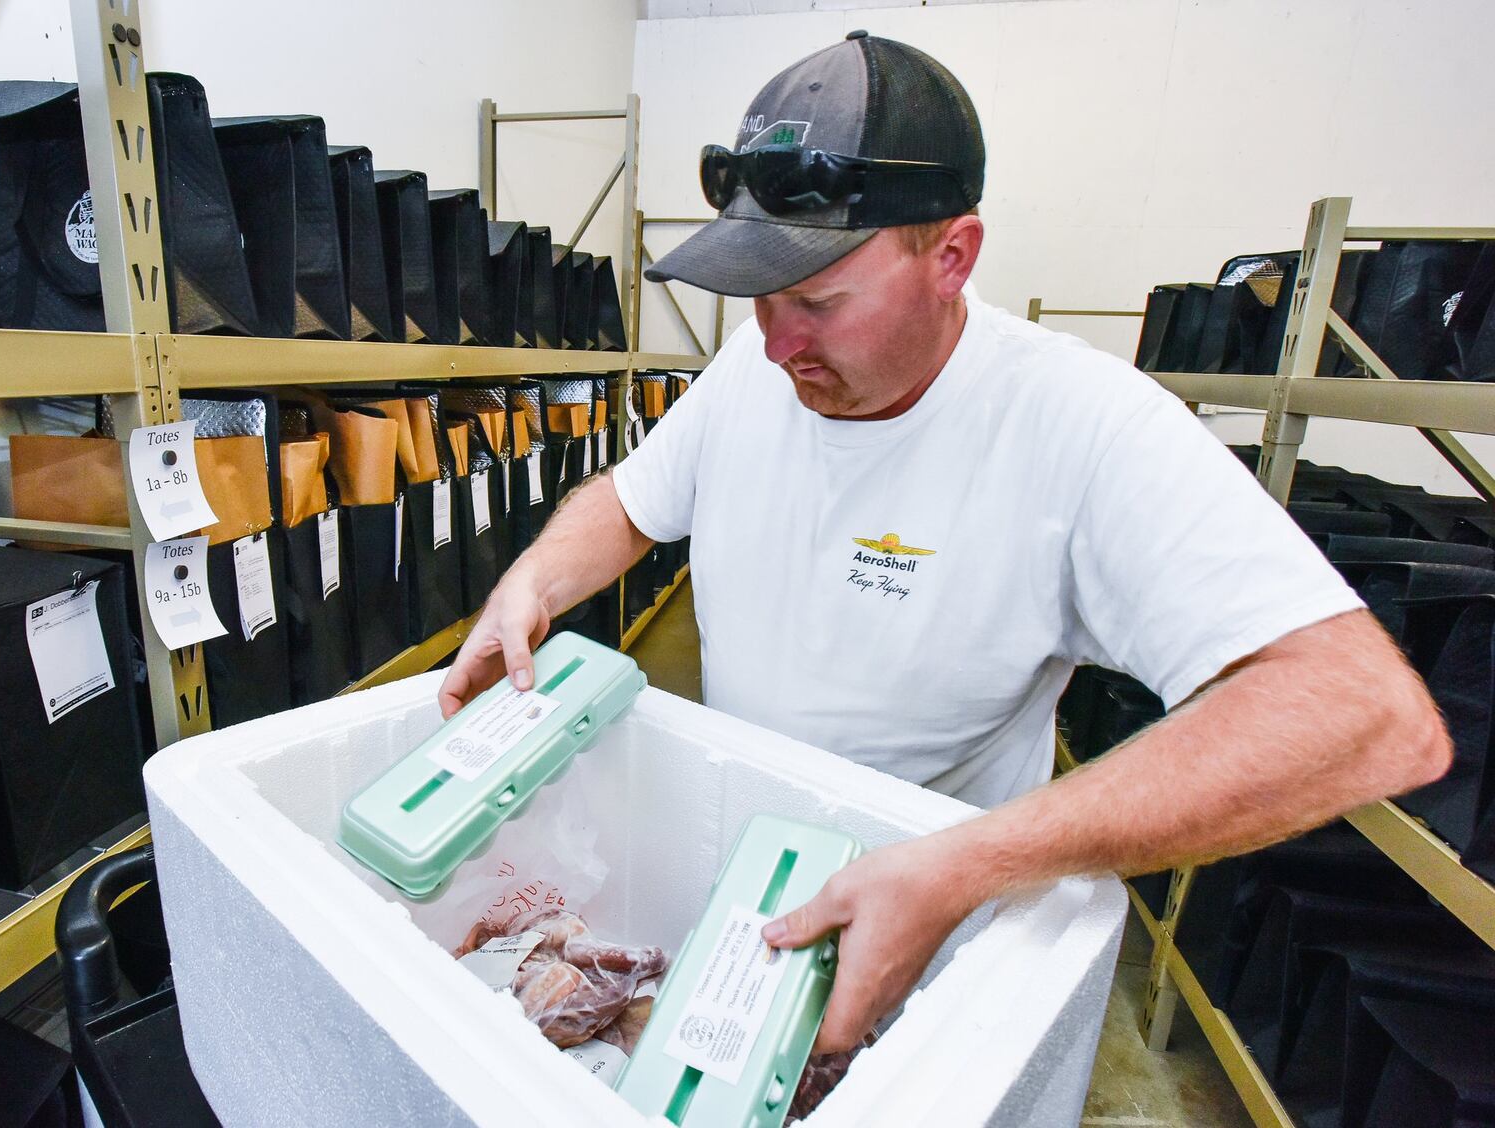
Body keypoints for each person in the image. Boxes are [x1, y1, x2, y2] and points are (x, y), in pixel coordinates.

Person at [439, 31, 1450, 1053]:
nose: (774, 338)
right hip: (745, 891)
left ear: (951, 257)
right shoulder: (757, 367)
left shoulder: (1081, 424)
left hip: (927, 949)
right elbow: (634, 498)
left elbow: (1364, 713)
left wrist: (969, 862)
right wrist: (532, 582)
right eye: (755, 299)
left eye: (817, 300)